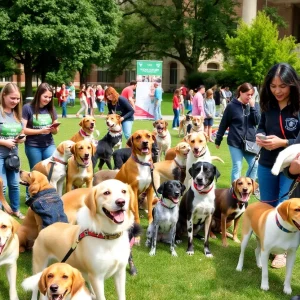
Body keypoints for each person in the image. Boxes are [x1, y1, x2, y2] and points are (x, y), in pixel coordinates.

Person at [255, 63, 300, 269]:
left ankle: (281, 253)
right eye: (273, 86)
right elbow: (262, 126)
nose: (277, 91)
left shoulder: (298, 107)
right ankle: (266, 243)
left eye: (282, 86)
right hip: (266, 163)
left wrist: (283, 143)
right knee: (267, 206)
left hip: (291, 166)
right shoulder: (268, 105)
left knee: (285, 208)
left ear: (292, 84)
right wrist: (260, 137)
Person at [215, 83, 260, 182]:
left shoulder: (254, 105)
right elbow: (224, 124)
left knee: (255, 165)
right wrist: (218, 139)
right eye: (247, 94)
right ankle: (234, 191)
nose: (250, 97)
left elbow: (257, 121)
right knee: (237, 166)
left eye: (251, 95)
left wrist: (252, 108)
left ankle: (247, 186)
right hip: (235, 142)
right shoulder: (231, 106)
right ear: (241, 93)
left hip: (250, 142)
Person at [0, 83, 25, 219]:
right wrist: (4, 142)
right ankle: (1, 213)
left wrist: (22, 138)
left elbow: (21, 132)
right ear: (4, 95)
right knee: (1, 187)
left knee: (15, 184)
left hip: (13, 155)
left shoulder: (17, 114)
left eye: (17, 99)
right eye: (12, 98)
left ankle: (15, 210)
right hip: (0, 154)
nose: (15, 102)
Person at [22, 82, 59, 171]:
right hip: (33, 146)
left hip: (49, 145)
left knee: (51, 170)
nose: (48, 99)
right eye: (45, 97)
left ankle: (49, 186)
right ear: (38, 95)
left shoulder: (51, 109)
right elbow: (23, 130)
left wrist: (53, 129)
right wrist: (41, 131)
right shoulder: (27, 108)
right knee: (35, 172)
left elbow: (56, 131)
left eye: (50, 97)